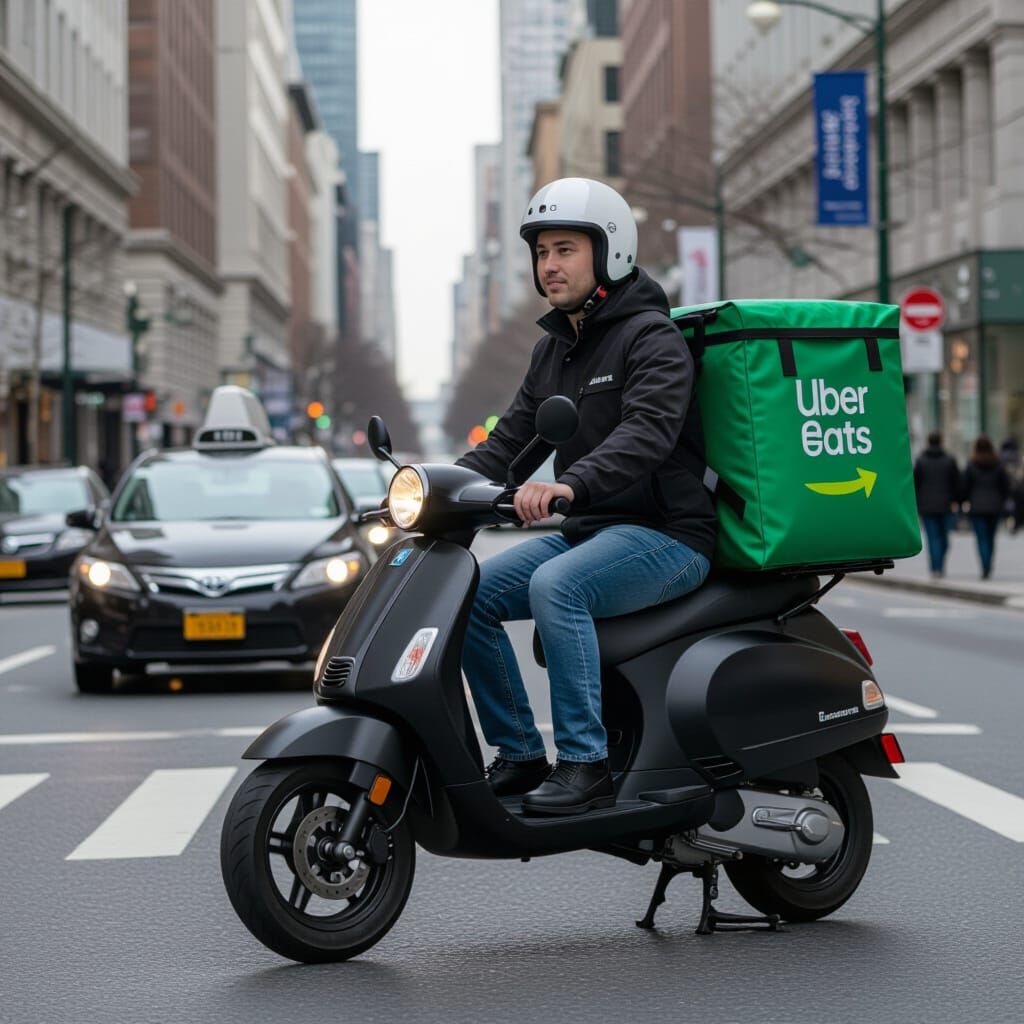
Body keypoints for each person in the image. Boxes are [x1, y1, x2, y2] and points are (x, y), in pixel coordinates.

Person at [455, 178, 716, 816]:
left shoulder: (652, 337)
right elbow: (510, 440)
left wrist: (570, 484)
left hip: (667, 535)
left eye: (566, 249)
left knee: (557, 587)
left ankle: (584, 763)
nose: (549, 265)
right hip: (595, 533)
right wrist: (434, 486)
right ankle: (519, 751)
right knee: (471, 593)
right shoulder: (554, 350)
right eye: (542, 252)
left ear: (610, 252)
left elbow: (646, 434)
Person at [960, 435, 1011, 579]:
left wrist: (962, 501)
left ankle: (985, 567)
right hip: (995, 506)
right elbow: (1005, 487)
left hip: (977, 507)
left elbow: (964, 486)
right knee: (991, 538)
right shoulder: (998, 464)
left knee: (981, 538)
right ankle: (989, 564)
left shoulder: (971, 464)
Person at [913, 431, 959, 578]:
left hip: (927, 506)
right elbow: (956, 483)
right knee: (944, 538)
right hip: (945, 505)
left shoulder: (921, 461)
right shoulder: (949, 460)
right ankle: (938, 566)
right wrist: (956, 501)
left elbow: (915, 484)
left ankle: (935, 567)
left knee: (933, 538)